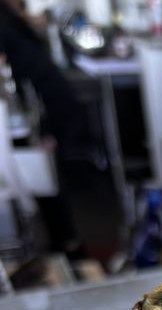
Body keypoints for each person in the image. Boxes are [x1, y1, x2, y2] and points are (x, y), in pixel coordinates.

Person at [0, 0, 85, 255]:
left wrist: (49, 128)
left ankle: (66, 251)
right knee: (43, 185)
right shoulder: (8, 14)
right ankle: (66, 248)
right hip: (42, 108)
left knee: (41, 185)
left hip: (42, 109)